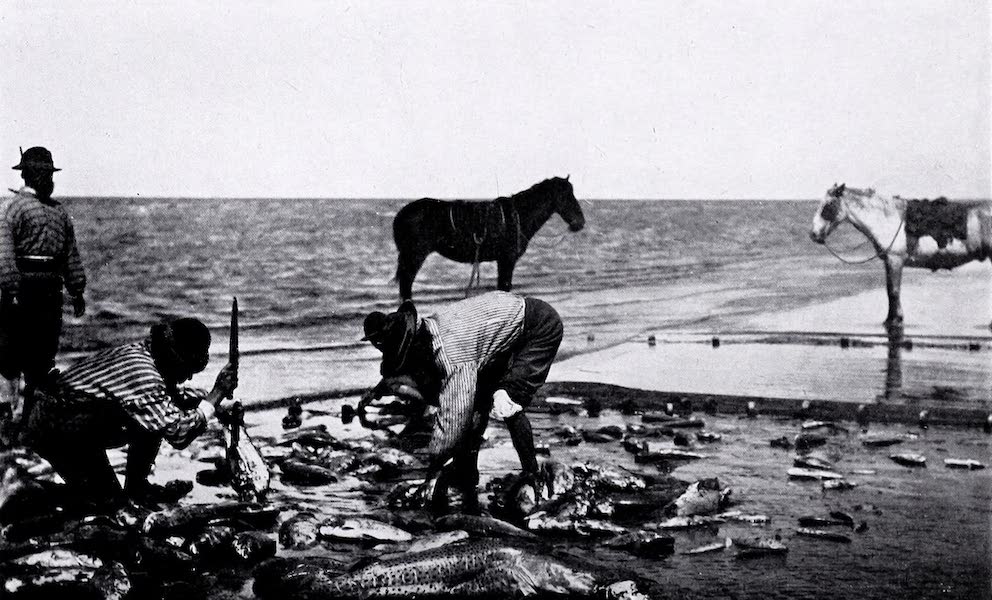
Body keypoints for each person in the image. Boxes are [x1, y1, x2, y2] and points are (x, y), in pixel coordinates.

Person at [362, 291, 563, 514]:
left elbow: (454, 416)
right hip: (503, 329)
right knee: (477, 405)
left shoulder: (452, 355)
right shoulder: (427, 329)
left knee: (504, 401)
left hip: (538, 327)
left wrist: (434, 468)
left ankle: (531, 475)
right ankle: (468, 475)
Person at [21, 317, 237, 511]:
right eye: (188, 370)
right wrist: (216, 395)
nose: (188, 378)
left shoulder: (148, 354)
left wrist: (212, 403)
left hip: (71, 418)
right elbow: (179, 434)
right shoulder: (144, 375)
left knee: (155, 416)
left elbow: (171, 396)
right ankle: (28, 490)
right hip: (53, 426)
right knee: (108, 504)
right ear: (175, 358)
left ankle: (136, 488)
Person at [0, 147, 87, 442]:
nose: (48, 179)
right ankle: (9, 424)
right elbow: (4, 254)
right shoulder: (13, 209)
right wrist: (11, 290)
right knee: (10, 358)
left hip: (48, 294)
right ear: (29, 175)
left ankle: (28, 426)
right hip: (22, 292)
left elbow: (70, 256)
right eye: (43, 173)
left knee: (39, 361)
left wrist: (76, 290)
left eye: (50, 174)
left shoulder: (59, 212)